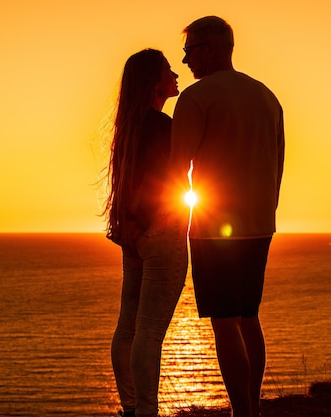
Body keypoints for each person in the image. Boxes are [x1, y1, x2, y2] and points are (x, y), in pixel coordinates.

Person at [170, 16, 285, 417]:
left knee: (224, 321)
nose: (185, 62)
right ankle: (251, 407)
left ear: (212, 49)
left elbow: (175, 167)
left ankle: (243, 413)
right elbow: (279, 166)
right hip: (259, 223)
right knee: (249, 317)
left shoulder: (198, 98)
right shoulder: (267, 97)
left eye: (189, 52)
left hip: (212, 228)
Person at [105, 48, 189, 417]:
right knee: (150, 331)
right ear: (154, 82)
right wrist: (146, 217)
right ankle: (146, 411)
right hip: (161, 231)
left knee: (129, 326)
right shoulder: (161, 126)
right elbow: (162, 181)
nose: (175, 75)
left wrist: (131, 222)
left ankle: (130, 405)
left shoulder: (129, 127)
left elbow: (131, 181)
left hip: (135, 236)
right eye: (168, 71)